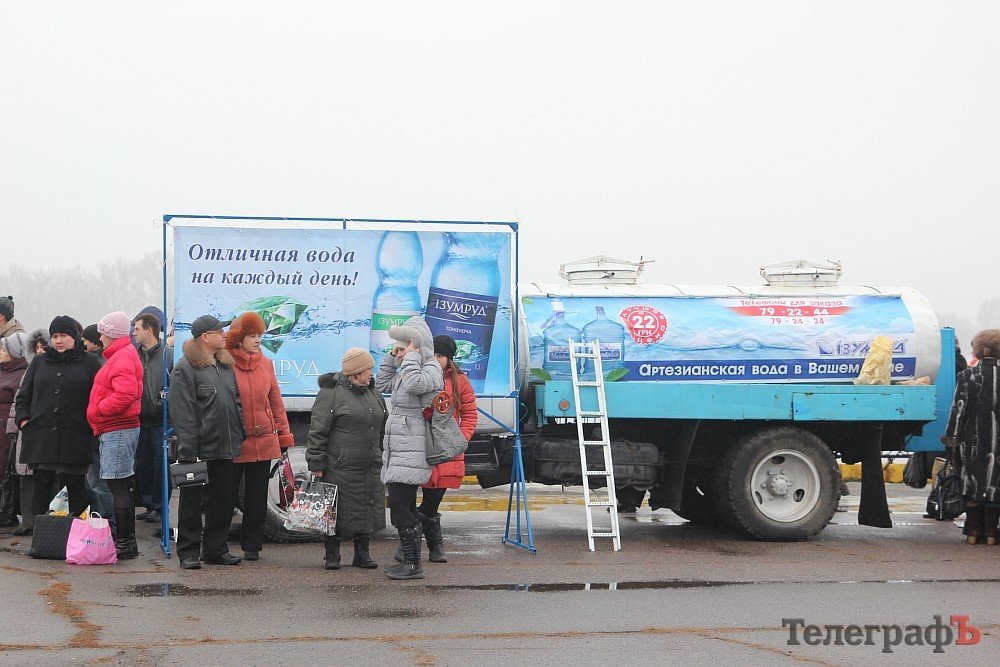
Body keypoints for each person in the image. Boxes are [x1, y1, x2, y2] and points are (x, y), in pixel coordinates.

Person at [169, 314, 245, 570]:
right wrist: (188, 449)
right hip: (198, 448)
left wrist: (240, 433)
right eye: (219, 331)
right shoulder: (185, 368)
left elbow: (235, 404)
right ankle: (188, 552)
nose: (225, 335)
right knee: (191, 502)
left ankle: (216, 549)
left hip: (225, 446)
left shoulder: (224, 366)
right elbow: (183, 411)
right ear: (205, 337)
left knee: (223, 501)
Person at [393, 335, 476, 564]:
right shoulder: (420, 377)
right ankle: (430, 546)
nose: (436, 360)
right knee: (412, 500)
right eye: (434, 355)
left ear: (449, 359)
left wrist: (460, 439)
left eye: (441, 356)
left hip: (447, 451)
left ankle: (430, 545)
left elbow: (469, 414)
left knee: (432, 501)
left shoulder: (460, 382)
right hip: (420, 448)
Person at [307, 348, 388, 570]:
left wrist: (381, 454)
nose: (371, 373)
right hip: (340, 466)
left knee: (365, 507)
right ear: (355, 372)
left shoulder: (373, 393)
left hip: (369, 464)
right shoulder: (331, 393)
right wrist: (316, 462)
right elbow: (318, 430)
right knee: (335, 509)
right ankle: (332, 555)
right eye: (368, 369)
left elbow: (381, 428)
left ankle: (362, 554)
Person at [375, 316, 442, 580]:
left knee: (401, 509)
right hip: (401, 448)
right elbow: (382, 385)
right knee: (406, 507)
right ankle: (410, 560)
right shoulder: (408, 368)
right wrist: (393, 359)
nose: (399, 353)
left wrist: (412, 357)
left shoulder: (429, 368)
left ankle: (413, 564)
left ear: (416, 346)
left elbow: (417, 386)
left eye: (402, 348)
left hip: (411, 448)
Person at [15, 316, 102, 518]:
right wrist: (24, 422)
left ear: (74, 337)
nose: (58, 340)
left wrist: (92, 426)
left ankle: (78, 539)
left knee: (76, 486)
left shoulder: (90, 362)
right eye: (54, 336)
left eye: (63, 335)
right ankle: (41, 537)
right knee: (41, 486)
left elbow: (99, 396)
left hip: (75, 437)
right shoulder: (38, 362)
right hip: (41, 438)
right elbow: (23, 397)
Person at [225, 312, 292, 562]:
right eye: (252, 336)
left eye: (259, 336)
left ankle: (252, 546)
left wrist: (284, 436)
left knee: (257, 496)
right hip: (235, 441)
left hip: (263, 441)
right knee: (226, 496)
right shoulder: (224, 363)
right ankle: (217, 545)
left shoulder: (266, 364)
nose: (257, 340)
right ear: (238, 338)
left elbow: (275, 401)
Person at [86, 311, 143, 560]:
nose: (99, 337)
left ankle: (124, 543)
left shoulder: (121, 358)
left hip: (117, 427)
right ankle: (126, 541)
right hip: (116, 427)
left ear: (111, 333)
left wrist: (99, 410)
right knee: (120, 484)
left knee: (118, 485)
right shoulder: (121, 355)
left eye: (102, 332)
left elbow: (124, 395)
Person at [943, 329, 1000, 544]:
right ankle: (992, 533)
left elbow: (957, 411)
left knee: (972, 482)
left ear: (977, 350)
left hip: (971, 443)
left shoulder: (966, 376)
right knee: (995, 482)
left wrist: (951, 439)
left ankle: (973, 533)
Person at [133, 312, 173, 524]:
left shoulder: (169, 355)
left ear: (149, 330)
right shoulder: (135, 355)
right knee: (143, 465)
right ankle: (149, 504)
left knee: (161, 466)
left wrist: (161, 404)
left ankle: (159, 506)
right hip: (139, 421)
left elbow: (174, 386)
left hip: (161, 421)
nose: (134, 333)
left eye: (137, 329)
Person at [0, 334, 29, 528]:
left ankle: (7, 510)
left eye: (3, 349)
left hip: (6, 430)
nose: (1, 352)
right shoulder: (2, 370)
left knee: (5, 470)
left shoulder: (22, 373)